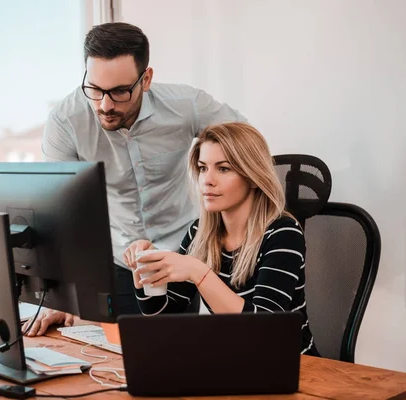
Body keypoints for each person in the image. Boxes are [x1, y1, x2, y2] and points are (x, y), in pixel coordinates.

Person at [24, 22, 245, 336]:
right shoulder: (66, 120)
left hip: (181, 254)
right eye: (95, 89)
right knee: (116, 362)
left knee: (177, 358)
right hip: (118, 258)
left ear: (147, 79)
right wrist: (59, 293)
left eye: (119, 92)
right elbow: (59, 212)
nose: (105, 105)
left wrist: (225, 222)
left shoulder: (185, 105)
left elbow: (247, 144)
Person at [126, 122, 319, 356]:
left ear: (252, 176)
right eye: (203, 168)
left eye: (223, 169)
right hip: (236, 360)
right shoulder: (200, 233)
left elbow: (265, 328)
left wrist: (198, 272)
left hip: (293, 366)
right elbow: (163, 316)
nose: (207, 180)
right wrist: (146, 275)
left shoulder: (283, 234)